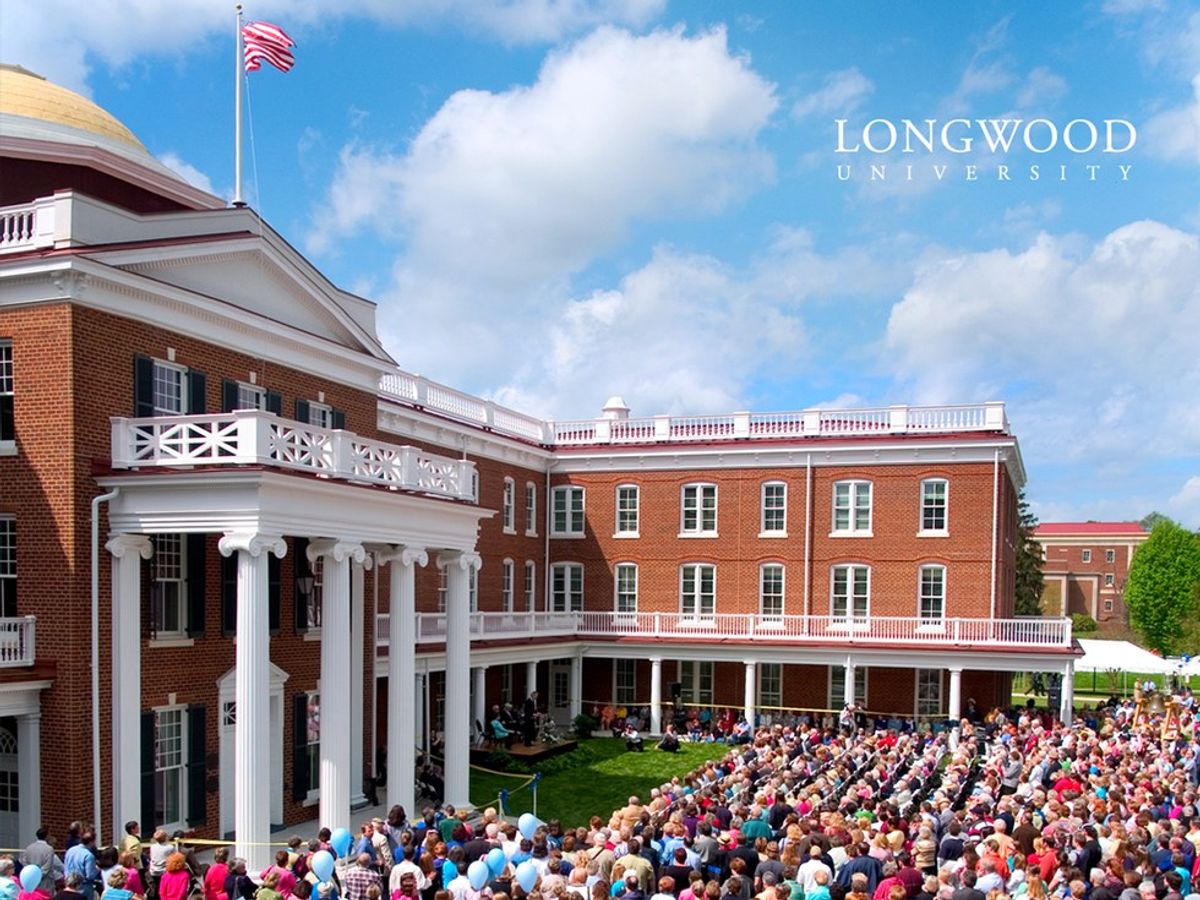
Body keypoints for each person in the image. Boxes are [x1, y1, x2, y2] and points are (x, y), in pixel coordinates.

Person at [23, 827, 62, 896]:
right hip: (45, 882)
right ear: (47, 836)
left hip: (31, 881)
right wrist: (38, 875)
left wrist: (31, 874)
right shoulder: (49, 849)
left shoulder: (29, 848)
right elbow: (47, 866)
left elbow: (23, 861)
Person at [64, 831, 99, 900]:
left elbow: (65, 867)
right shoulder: (88, 855)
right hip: (83, 887)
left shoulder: (70, 850)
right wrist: (97, 869)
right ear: (92, 842)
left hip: (69, 885)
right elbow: (90, 875)